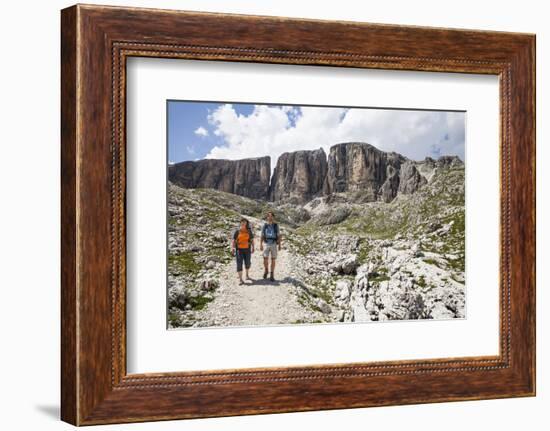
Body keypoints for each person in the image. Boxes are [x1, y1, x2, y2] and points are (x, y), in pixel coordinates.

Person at [231, 218, 254, 285]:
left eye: (245, 222)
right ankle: (241, 279)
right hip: (239, 250)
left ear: (246, 223)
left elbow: (251, 240)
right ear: (240, 223)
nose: (243, 223)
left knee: (247, 263)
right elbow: (234, 240)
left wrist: (253, 247)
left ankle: (247, 275)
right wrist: (233, 248)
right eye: (242, 222)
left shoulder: (249, 231)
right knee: (239, 263)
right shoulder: (237, 231)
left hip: (247, 249)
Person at [260, 211, 282, 282]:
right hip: (266, 243)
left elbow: (279, 235)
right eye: (268, 216)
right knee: (265, 258)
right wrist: (260, 244)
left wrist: (279, 245)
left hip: (274, 243)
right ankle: (266, 270)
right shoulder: (265, 225)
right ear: (267, 217)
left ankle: (272, 274)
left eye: (271, 216)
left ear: (273, 217)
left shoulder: (276, 225)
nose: (270, 217)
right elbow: (262, 235)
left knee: (273, 259)